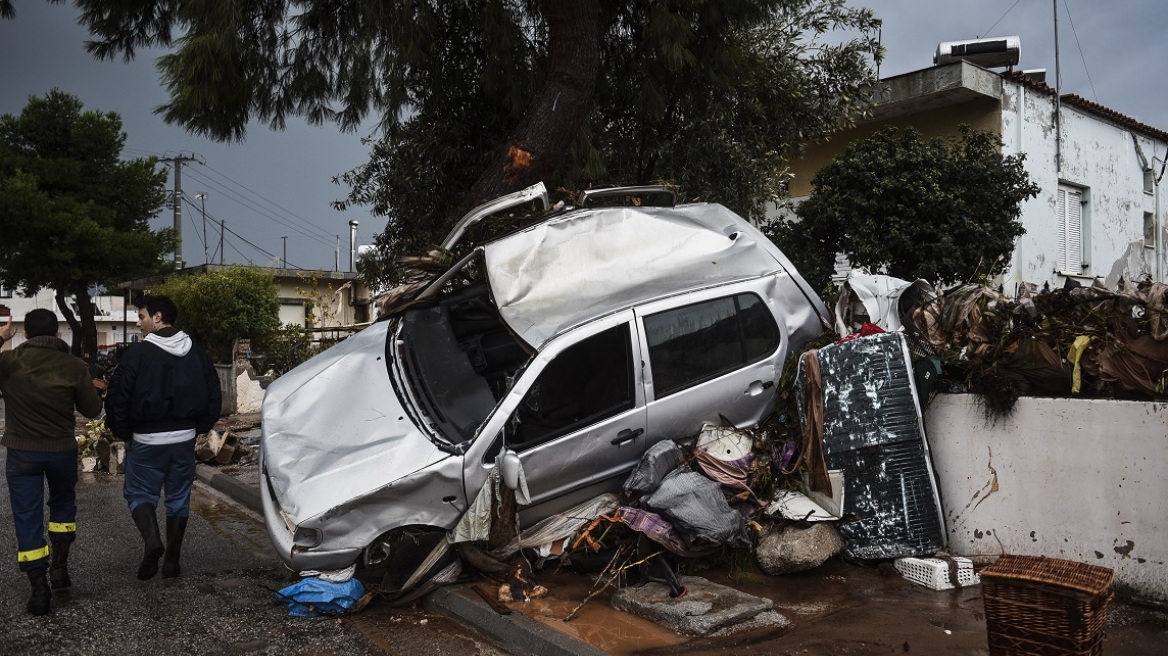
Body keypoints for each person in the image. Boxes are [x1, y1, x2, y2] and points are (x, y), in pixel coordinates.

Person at [104, 295, 221, 581]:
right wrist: (199, 428)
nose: (138, 322)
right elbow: (213, 394)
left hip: (146, 441)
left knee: (139, 493)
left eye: (141, 316)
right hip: (183, 440)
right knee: (178, 498)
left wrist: (123, 433)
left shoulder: (136, 355)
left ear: (157, 317)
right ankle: (172, 562)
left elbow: (118, 397)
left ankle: (152, 541)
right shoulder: (198, 352)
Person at [0, 310, 104, 616]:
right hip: (61, 452)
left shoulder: (9, 362)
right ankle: (59, 571)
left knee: (27, 517)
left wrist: (2, 338)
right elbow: (93, 410)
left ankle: (39, 589)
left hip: (22, 454)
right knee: (62, 509)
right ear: (58, 334)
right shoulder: (74, 365)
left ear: (25, 334)